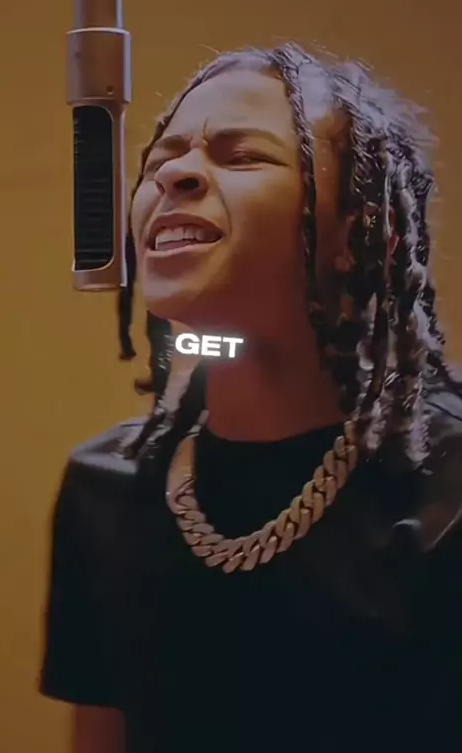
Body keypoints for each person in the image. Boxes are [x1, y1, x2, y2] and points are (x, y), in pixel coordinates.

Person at [39, 43, 462, 753]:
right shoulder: (105, 490)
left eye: (241, 156)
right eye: (161, 159)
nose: (172, 175)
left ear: (363, 232)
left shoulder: (447, 491)